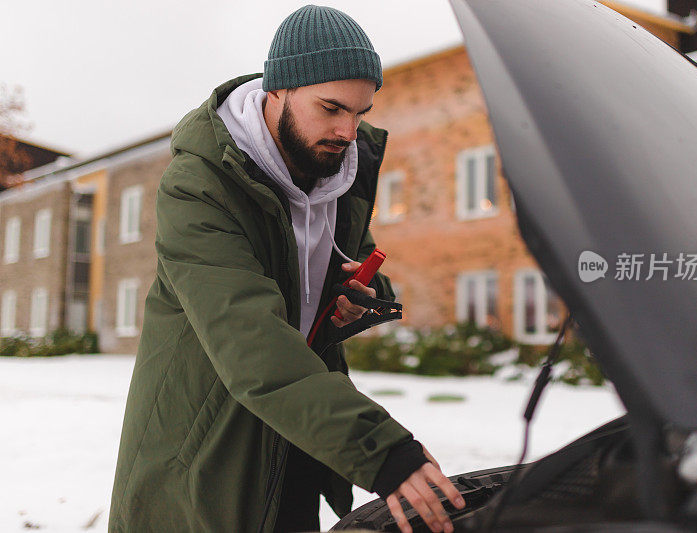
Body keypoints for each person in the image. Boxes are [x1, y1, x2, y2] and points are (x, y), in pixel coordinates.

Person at [108, 4, 465, 533]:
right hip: (204, 452)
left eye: (361, 113)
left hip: (300, 436)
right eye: (331, 108)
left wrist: (358, 294)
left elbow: (347, 265)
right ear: (278, 90)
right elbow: (249, 338)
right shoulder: (200, 186)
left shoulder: (337, 174)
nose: (348, 130)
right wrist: (381, 452)